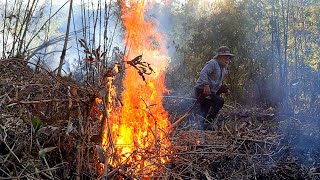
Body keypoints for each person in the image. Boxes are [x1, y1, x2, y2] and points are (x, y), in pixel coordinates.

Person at [194, 46, 234, 128]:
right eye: (225, 56)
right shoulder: (213, 63)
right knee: (219, 101)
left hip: (210, 92)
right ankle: (209, 122)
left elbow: (216, 82)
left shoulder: (223, 68)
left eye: (228, 57)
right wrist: (206, 85)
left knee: (204, 110)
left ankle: (201, 125)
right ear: (219, 56)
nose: (227, 59)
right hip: (202, 90)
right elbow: (203, 73)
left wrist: (224, 89)